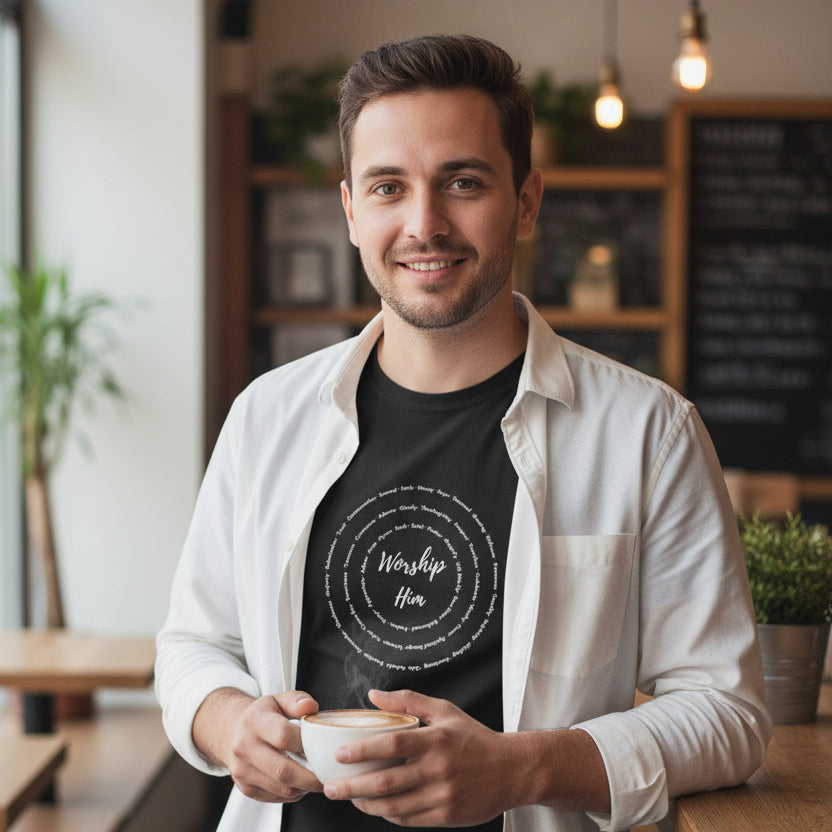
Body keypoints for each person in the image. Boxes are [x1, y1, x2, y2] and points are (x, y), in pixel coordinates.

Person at [155, 33, 771, 832]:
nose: (425, 224)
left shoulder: (648, 432)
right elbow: (193, 646)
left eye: (463, 182)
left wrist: (522, 770)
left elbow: (726, 711)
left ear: (526, 201)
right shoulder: (265, 417)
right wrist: (229, 722)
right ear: (351, 211)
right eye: (388, 187)